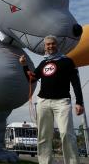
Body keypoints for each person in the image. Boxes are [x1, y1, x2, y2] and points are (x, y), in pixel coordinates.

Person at [19, 35, 84, 164]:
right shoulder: (44, 63)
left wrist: (79, 102)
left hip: (62, 102)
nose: (50, 46)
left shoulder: (67, 61)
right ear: (45, 47)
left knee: (66, 133)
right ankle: (45, 162)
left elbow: (75, 82)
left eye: (52, 44)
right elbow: (32, 78)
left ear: (57, 45)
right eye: (48, 44)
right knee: (43, 136)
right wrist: (24, 65)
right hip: (43, 102)